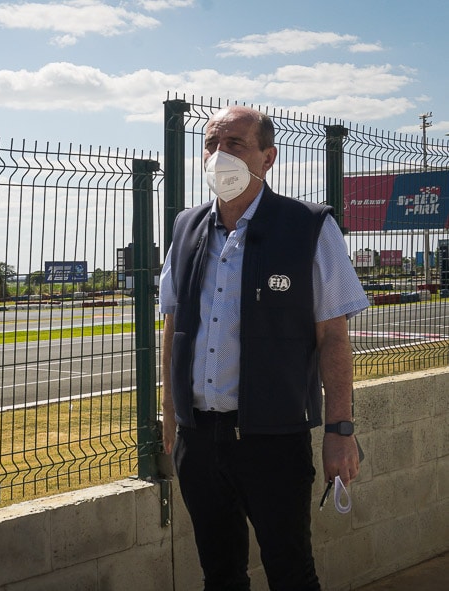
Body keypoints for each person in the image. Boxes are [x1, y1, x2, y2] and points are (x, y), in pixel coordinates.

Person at [158, 105, 368, 590]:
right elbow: (173, 325)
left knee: (290, 570)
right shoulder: (185, 228)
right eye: (211, 144)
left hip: (272, 440)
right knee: (220, 572)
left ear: (268, 157)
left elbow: (333, 337)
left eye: (235, 144)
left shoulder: (308, 227)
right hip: (200, 440)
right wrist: (170, 413)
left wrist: (340, 429)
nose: (219, 155)